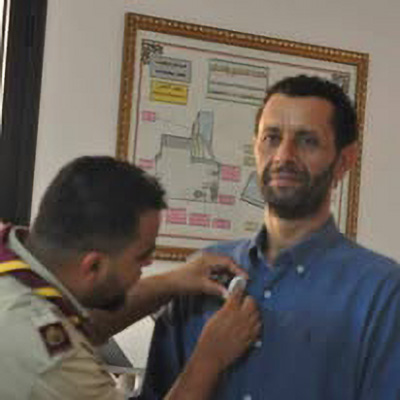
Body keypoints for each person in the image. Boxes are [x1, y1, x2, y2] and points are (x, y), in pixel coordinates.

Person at [142, 75, 400, 399]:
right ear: (256, 147)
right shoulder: (201, 274)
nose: (283, 156)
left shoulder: (382, 291)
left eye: (308, 141)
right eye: (271, 138)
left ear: (344, 161)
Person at [0, 156, 261, 400]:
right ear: (93, 266)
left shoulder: (15, 261)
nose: (148, 264)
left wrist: (175, 281)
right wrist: (210, 359)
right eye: (141, 257)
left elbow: (86, 323)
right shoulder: (49, 361)